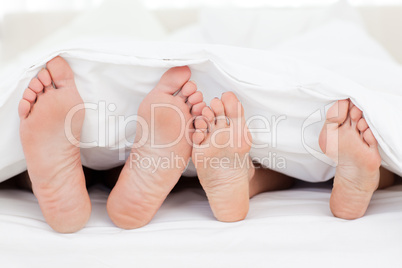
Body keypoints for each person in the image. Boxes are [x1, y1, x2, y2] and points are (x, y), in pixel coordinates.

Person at [17, 56, 395, 233]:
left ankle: (40, 178)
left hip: (122, 157)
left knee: (17, 168)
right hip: (241, 157)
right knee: (282, 165)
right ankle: (246, 179)